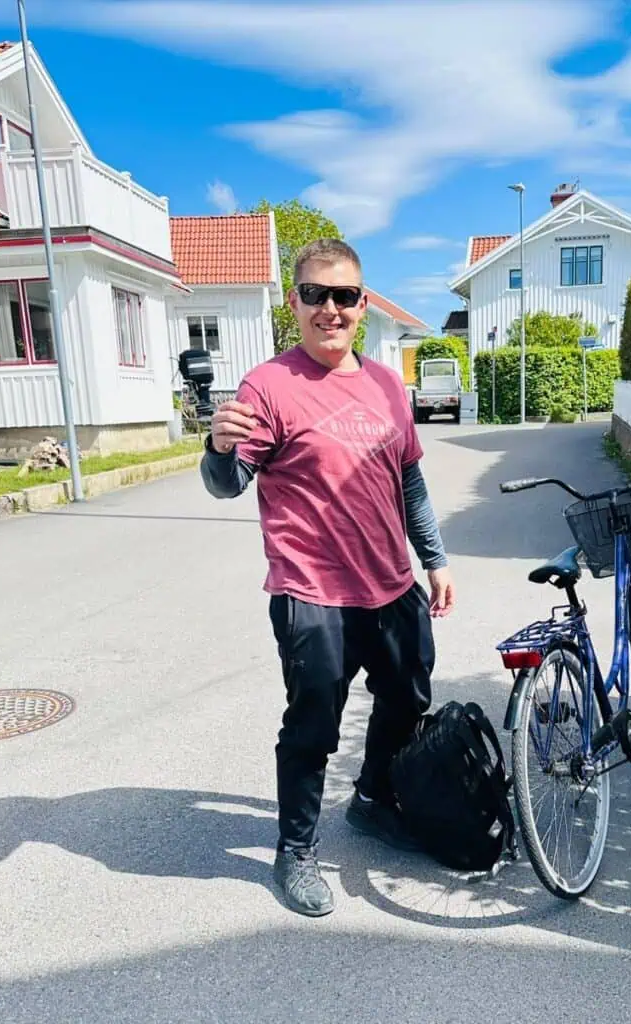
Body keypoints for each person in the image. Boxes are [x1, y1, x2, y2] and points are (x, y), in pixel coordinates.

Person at [200, 238, 454, 917]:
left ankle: (372, 798)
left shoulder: (386, 385)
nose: (330, 310)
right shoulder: (268, 386)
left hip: (391, 583)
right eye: (316, 295)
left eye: (344, 296)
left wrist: (433, 558)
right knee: (314, 723)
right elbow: (227, 485)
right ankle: (296, 849)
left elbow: (409, 479)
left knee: (406, 698)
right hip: (310, 589)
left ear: (362, 305)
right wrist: (217, 448)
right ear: (295, 302)